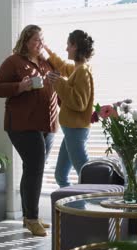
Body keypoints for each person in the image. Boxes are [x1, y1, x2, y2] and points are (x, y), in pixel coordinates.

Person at [0, 24, 58, 237]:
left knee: (33, 168)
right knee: (35, 168)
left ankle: (28, 216)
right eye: (35, 40)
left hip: (47, 125)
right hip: (22, 124)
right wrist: (20, 87)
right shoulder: (13, 62)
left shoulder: (45, 63)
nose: (39, 44)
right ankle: (32, 218)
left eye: (41, 40)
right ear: (25, 41)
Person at [45, 29, 94, 188]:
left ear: (76, 47)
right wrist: (46, 51)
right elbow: (63, 67)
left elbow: (79, 103)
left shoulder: (83, 71)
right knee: (60, 175)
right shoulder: (77, 69)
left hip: (75, 130)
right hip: (70, 130)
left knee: (88, 175)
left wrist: (58, 82)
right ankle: (74, 210)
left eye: (68, 45)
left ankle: (97, 209)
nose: (66, 49)